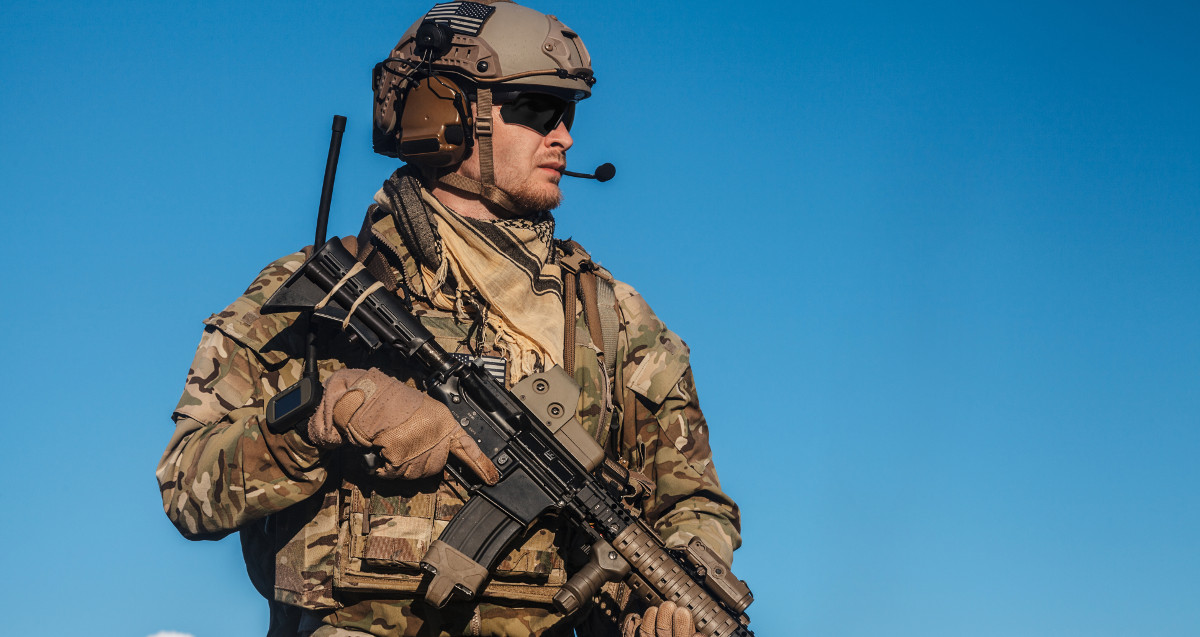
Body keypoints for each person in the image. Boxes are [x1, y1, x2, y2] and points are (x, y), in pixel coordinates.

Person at [157, 2, 741, 635]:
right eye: (536, 107)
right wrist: (323, 414)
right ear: (445, 115)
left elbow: (690, 503)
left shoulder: (616, 323)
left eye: (569, 112)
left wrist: (673, 596)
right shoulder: (319, 293)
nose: (565, 136)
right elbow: (188, 485)